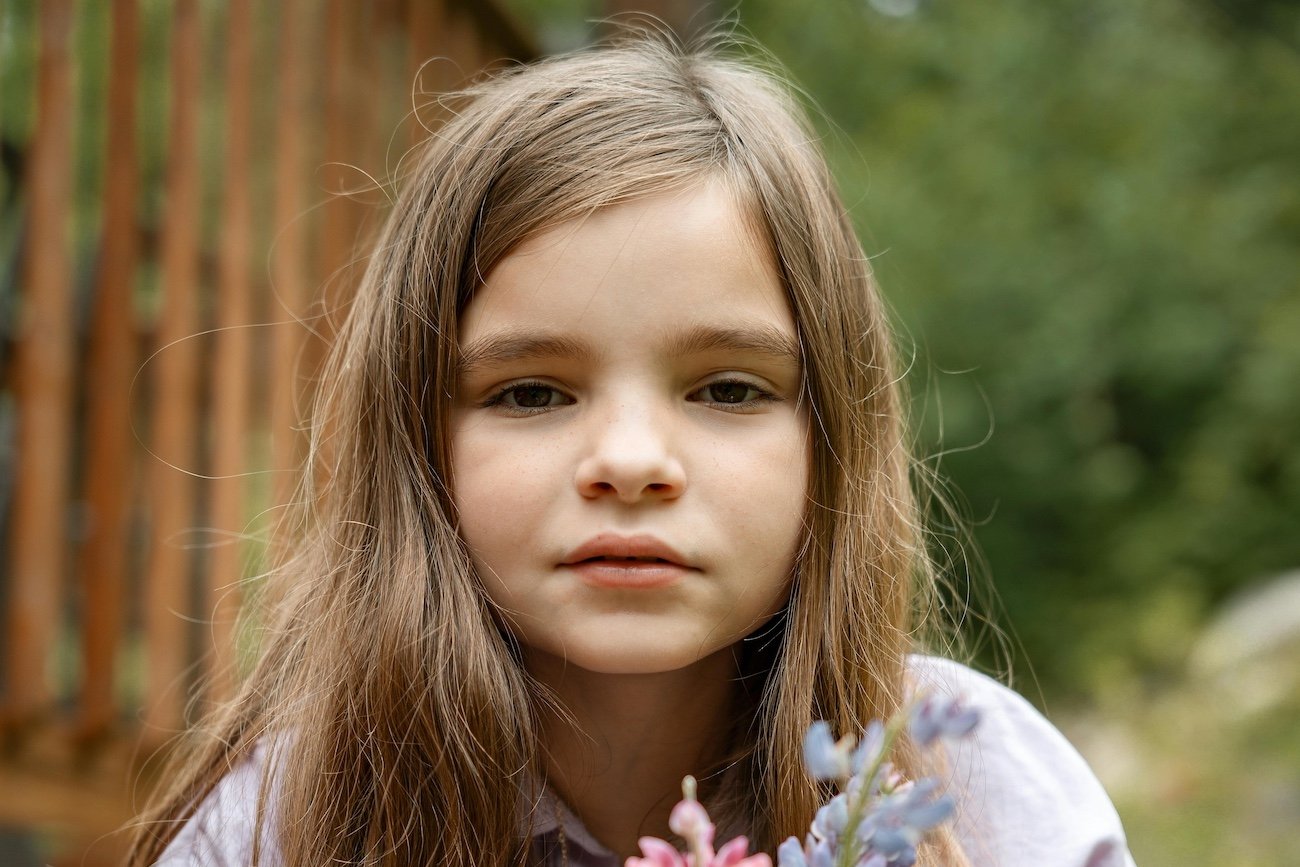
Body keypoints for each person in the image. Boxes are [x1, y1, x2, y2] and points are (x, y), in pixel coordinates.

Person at [127, 33, 1135, 867]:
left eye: (727, 389)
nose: (630, 460)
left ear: (829, 442)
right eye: (530, 392)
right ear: (419, 444)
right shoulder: (283, 826)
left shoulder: (970, 786)